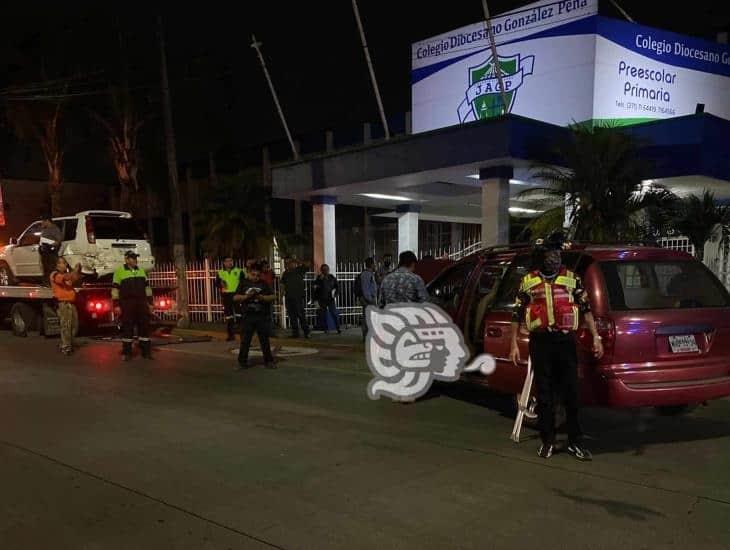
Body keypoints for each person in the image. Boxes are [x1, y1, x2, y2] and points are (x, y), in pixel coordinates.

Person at [509, 233, 604, 461]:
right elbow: (517, 313)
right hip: (541, 343)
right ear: (541, 257)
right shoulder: (528, 281)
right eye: (550, 253)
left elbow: (586, 309)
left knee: (571, 393)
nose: (554, 257)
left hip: (565, 342)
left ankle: (574, 442)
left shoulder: (572, 279)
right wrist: (513, 343)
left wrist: (596, 337)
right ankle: (547, 441)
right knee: (544, 395)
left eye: (556, 253)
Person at [112, 250, 154, 361]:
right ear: (126, 259)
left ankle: (146, 352)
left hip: (141, 303)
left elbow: (147, 288)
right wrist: (116, 305)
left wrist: (150, 303)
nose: (135, 260)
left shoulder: (141, 271)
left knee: (144, 328)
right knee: (128, 328)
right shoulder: (119, 272)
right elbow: (115, 290)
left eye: (135, 258)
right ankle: (127, 353)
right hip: (127, 304)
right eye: (132, 258)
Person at [234, 263, 277, 370]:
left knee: (264, 340)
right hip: (248, 316)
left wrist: (262, 297)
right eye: (253, 275)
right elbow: (235, 297)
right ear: (249, 273)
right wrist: (246, 296)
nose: (255, 277)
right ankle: (242, 362)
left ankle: (269, 361)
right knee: (245, 341)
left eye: (258, 275)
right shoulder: (243, 283)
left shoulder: (263, 284)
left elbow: (273, 296)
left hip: (261, 316)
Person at [50, 258, 82, 355]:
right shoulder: (55, 274)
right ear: (57, 265)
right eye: (61, 263)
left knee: (74, 325)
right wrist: (75, 270)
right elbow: (67, 278)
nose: (63, 265)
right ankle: (66, 346)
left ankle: (69, 343)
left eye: (64, 263)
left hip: (71, 303)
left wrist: (78, 271)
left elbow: (75, 278)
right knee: (66, 325)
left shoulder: (67, 274)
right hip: (63, 303)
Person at [216, 256, 245, 341]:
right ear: (224, 263)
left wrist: (240, 293)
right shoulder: (220, 272)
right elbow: (216, 283)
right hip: (226, 296)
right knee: (229, 316)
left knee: (240, 316)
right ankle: (231, 335)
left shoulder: (239, 271)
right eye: (227, 261)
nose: (229, 263)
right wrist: (220, 284)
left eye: (230, 261)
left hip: (237, 295)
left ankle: (243, 336)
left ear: (233, 262)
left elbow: (243, 283)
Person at [281, 258, 310, 338]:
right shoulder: (285, 273)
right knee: (292, 316)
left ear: (295, 264)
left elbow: (307, 264)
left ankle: (306, 332)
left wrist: (297, 260)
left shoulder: (299, 270)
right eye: (288, 263)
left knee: (301, 315)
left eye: (291, 263)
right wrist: (281, 296)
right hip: (289, 297)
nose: (289, 265)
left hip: (298, 297)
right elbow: (283, 285)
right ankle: (295, 333)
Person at [313, 264, 340, 334]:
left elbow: (337, 287)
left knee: (333, 313)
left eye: (326, 269)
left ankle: (338, 328)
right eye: (323, 270)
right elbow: (315, 288)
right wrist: (320, 280)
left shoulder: (332, 277)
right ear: (321, 270)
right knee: (323, 314)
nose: (325, 271)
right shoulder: (319, 278)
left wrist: (335, 295)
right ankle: (325, 329)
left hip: (330, 299)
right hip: (321, 299)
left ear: (328, 270)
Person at [357, 257, 378, 338]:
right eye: (375, 264)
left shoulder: (369, 274)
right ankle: (367, 337)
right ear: (371, 264)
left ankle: (368, 336)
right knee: (368, 319)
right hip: (368, 300)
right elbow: (366, 289)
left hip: (369, 299)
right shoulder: (366, 274)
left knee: (368, 318)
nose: (376, 266)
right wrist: (370, 300)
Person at [40, 216, 63, 282]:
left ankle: (53, 282)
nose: (42, 224)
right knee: (46, 268)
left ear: (47, 221)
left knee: (51, 268)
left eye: (43, 222)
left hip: (51, 252)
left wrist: (50, 245)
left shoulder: (55, 229)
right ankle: (47, 282)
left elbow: (58, 241)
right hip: (44, 252)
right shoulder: (44, 229)